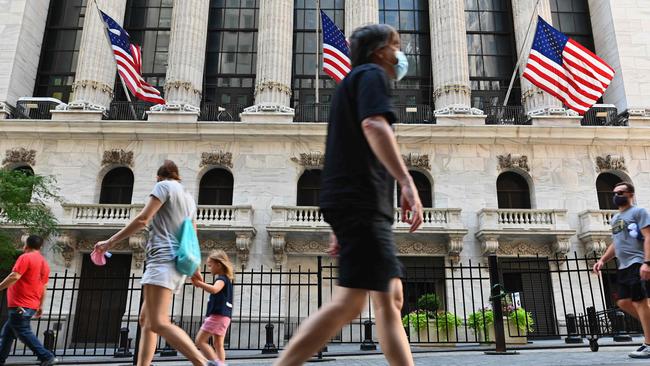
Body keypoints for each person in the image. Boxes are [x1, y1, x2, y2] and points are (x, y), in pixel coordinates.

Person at [273, 24, 423, 366]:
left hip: (356, 203)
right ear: (379, 51)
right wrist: (406, 181)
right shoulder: (371, 76)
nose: (401, 54)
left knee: (390, 296)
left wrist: (340, 225)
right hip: (362, 202)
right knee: (352, 302)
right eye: (396, 45)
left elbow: (345, 153)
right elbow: (374, 126)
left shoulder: (348, 85)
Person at [94, 160, 219, 366]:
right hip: (176, 263)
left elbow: (143, 219)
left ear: (159, 177)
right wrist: (195, 268)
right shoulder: (188, 198)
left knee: (159, 322)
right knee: (147, 321)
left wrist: (109, 242)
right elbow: (193, 233)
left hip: (162, 260)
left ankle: (203, 363)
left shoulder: (163, 187)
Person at [593, 181, 650, 358]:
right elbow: (616, 243)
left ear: (630, 194)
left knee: (640, 302)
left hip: (637, 262)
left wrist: (647, 262)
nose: (616, 196)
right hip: (623, 265)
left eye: (621, 192)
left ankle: (648, 343)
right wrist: (602, 259)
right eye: (615, 193)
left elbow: (648, 236)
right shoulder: (615, 219)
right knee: (623, 302)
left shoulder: (639, 212)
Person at [0, 235, 58, 366]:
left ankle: (47, 356)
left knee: (24, 332)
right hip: (30, 305)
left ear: (26, 245)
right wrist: (40, 306)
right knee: (8, 333)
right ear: (40, 246)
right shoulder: (44, 263)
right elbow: (44, 287)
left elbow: (14, 276)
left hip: (20, 305)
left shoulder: (25, 257)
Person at [192, 250, 234, 366]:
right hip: (224, 316)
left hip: (218, 316)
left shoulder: (221, 279)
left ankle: (217, 364)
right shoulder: (226, 279)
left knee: (200, 341)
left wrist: (199, 284)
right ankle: (221, 363)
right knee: (218, 344)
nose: (209, 268)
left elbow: (215, 289)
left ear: (219, 264)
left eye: (210, 265)